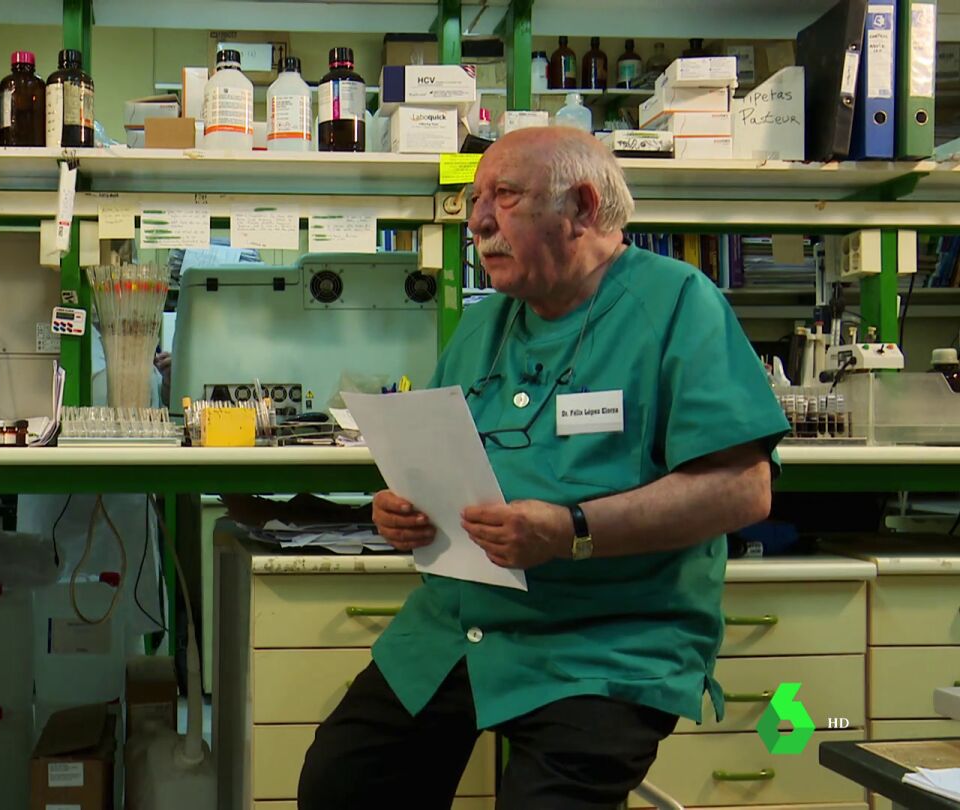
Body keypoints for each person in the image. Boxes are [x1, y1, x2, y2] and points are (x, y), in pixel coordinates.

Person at [297, 127, 790, 809]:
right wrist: (404, 508)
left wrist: (571, 529)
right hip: (457, 630)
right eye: (476, 201)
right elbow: (440, 460)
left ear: (581, 207)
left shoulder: (677, 303)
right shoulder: (485, 324)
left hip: (605, 640)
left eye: (504, 196)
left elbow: (743, 489)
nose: (478, 221)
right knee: (343, 783)